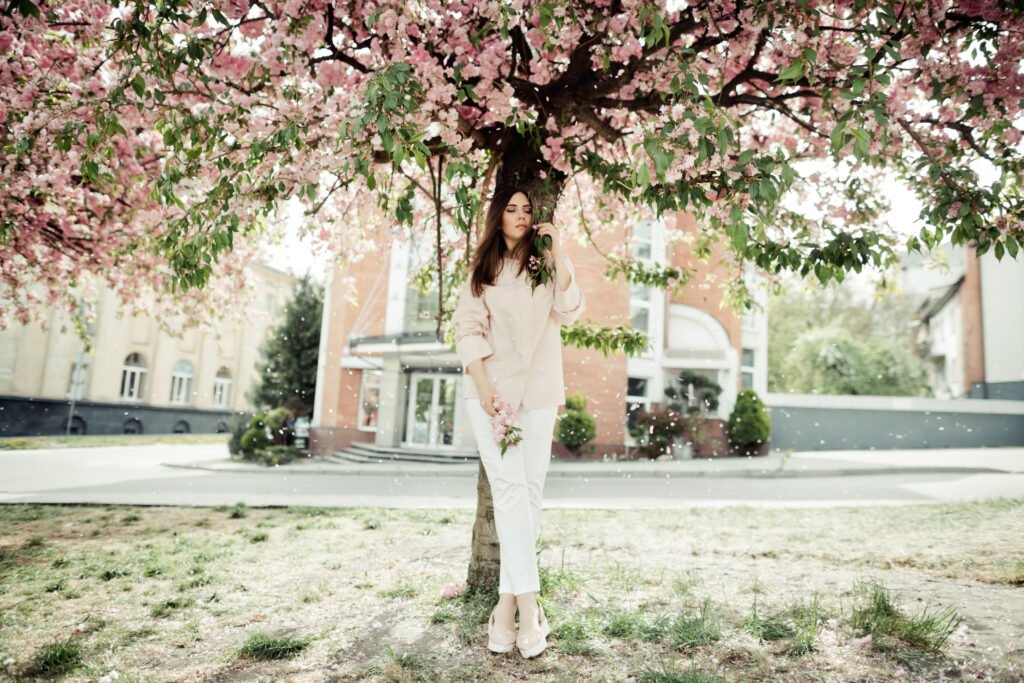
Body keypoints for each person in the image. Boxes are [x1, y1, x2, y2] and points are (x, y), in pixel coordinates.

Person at [449, 185, 586, 658]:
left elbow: (570, 309)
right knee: (509, 492)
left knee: (528, 494)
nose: (521, 215)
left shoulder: (544, 264)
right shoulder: (483, 270)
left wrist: (559, 252)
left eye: (528, 209)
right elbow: (467, 330)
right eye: (512, 208)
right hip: (493, 395)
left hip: (541, 392)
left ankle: (505, 604)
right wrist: (486, 389)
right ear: (498, 216)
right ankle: (530, 608)